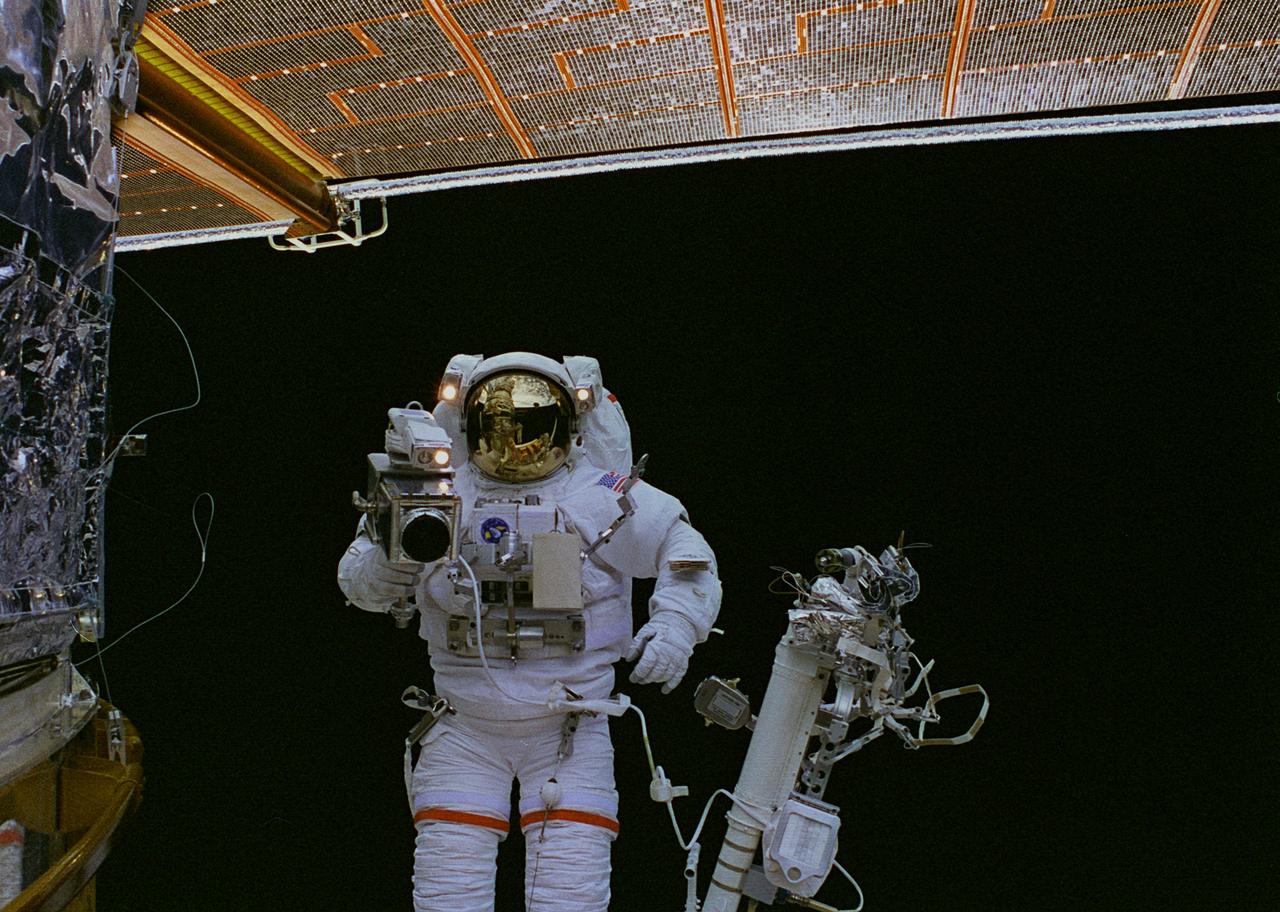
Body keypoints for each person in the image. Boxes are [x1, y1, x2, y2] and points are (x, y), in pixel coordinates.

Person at [337, 352, 721, 912]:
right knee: (449, 896)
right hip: (466, 725)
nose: (516, 444)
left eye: (533, 427)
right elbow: (358, 581)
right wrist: (392, 566)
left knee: (569, 896)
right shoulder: (433, 493)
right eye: (498, 427)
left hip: (570, 725)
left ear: (566, 427)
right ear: (470, 427)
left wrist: (675, 627)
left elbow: (684, 553)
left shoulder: (600, 493)